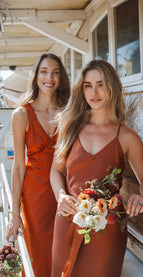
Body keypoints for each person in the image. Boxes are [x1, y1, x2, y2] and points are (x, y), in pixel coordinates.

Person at [50, 60, 143, 277]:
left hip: (107, 228)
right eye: (88, 85)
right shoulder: (69, 127)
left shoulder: (126, 136)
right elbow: (56, 171)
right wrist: (60, 195)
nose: (94, 92)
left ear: (112, 87)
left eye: (100, 84)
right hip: (68, 221)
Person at [6, 53, 70, 277]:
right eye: (44, 71)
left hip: (64, 191)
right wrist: (15, 214)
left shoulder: (69, 113)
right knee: (38, 254)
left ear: (61, 78)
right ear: (35, 76)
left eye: (55, 72)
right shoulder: (21, 114)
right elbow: (18, 167)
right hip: (34, 197)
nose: (49, 77)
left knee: (65, 252)